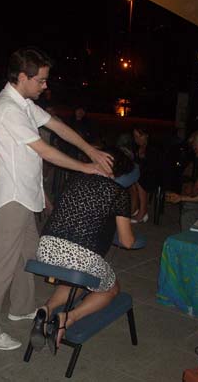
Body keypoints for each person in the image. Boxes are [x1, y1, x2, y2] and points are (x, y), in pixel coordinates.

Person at [0, 47, 113, 351]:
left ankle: (21, 307)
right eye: (41, 80)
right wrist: (86, 167)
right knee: (0, 264)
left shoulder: (24, 103)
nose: (45, 85)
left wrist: (90, 150)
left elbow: (57, 126)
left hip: (25, 196)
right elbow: (45, 150)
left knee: (28, 257)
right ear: (23, 77)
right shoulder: (7, 108)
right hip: (12, 197)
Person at [31, 148, 136, 353]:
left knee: (78, 278)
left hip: (46, 248)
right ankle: (68, 318)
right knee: (111, 288)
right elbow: (127, 241)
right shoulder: (118, 192)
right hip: (79, 257)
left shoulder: (73, 180)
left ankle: (46, 310)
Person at [129, 128, 162, 223]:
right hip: (142, 173)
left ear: (146, 135)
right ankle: (134, 209)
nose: (137, 139)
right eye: (135, 136)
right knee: (131, 181)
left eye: (140, 136)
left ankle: (143, 211)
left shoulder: (154, 147)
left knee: (140, 179)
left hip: (155, 175)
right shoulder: (135, 148)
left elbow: (154, 166)